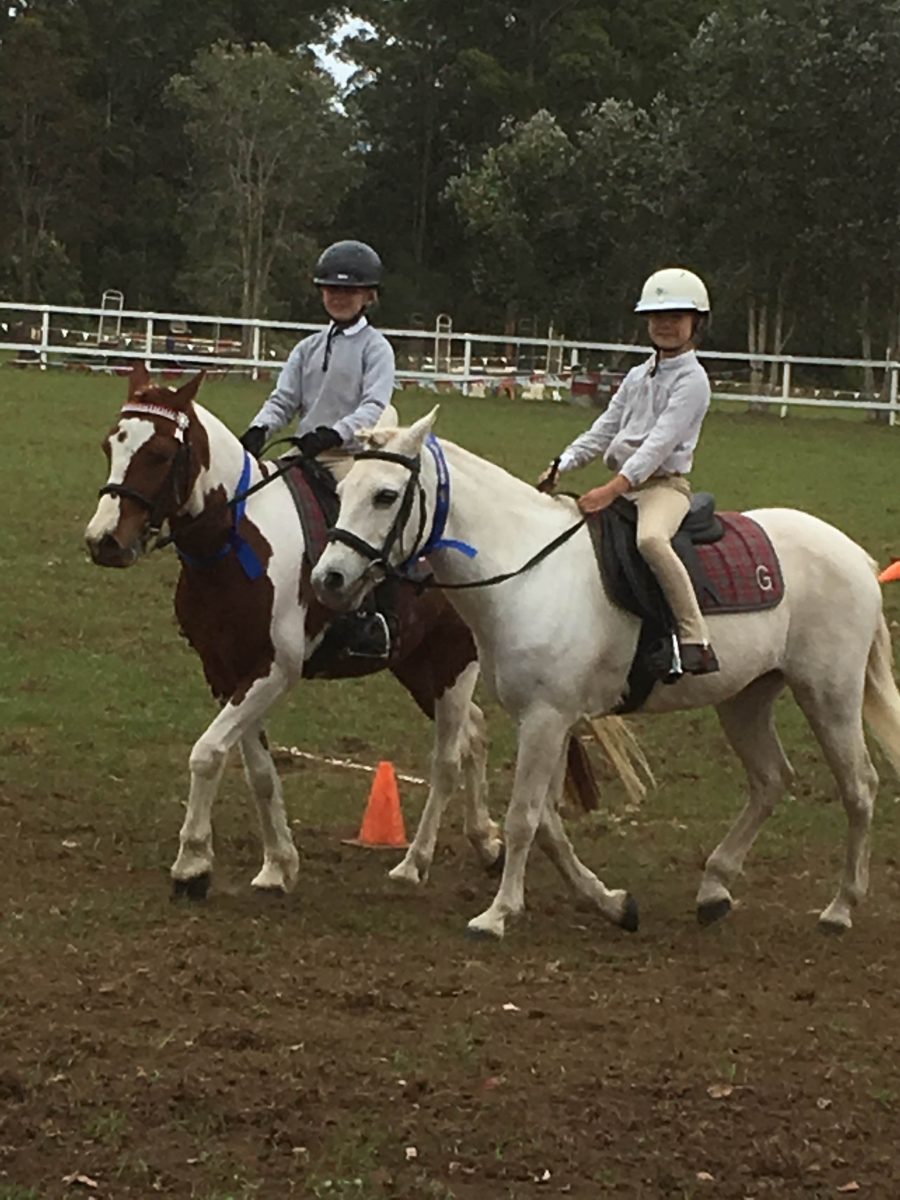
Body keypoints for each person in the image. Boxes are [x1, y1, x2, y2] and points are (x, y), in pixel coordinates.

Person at [539, 267, 719, 677]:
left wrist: (610, 489)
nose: (665, 326)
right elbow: (604, 428)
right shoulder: (639, 375)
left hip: (662, 488)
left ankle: (694, 639)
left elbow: (658, 445)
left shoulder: (694, 381)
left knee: (652, 541)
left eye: (675, 317)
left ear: (697, 322)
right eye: (657, 317)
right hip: (625, 487)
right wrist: (561, 464)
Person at [240, 240, 397, 658]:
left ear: (369, 296)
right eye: (331, 289)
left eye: (349, 291)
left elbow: (373, 406)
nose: (339, 297)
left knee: (352, 525)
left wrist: (333, 433)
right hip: (304, 452)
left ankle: (364, 617)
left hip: (350, 456)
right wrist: (259, 429)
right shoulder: (307, 347)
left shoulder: (376, 349)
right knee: (254, 498)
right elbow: (283, 399)